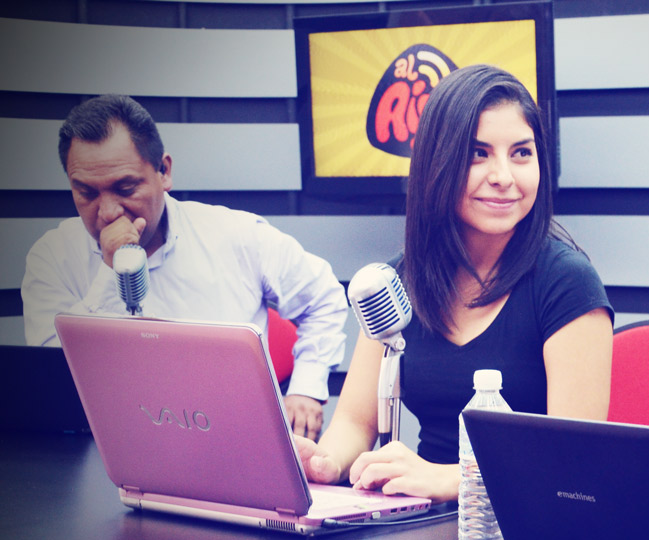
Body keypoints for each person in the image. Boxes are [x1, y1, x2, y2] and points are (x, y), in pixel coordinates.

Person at [297, 65, 613, 503]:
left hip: (524, 527)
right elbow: (353, 421)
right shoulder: (398, 281)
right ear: (437, 163)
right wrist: (324, 463)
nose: (503, 176)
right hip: (421, 520)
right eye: (478, 154)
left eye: (521, 153)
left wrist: (451, 481)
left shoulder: (568, 283)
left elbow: (573, 462)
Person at [21, 94, 348, 439]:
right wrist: (111, 271)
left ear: (164, 171)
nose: (108, 212)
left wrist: (307, 387)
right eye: (86, 193)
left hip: (232, 439)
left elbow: (323, 297)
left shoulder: (237, 236)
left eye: (126, 188)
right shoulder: (52, 257)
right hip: (107, 446)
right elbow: (55, 382)